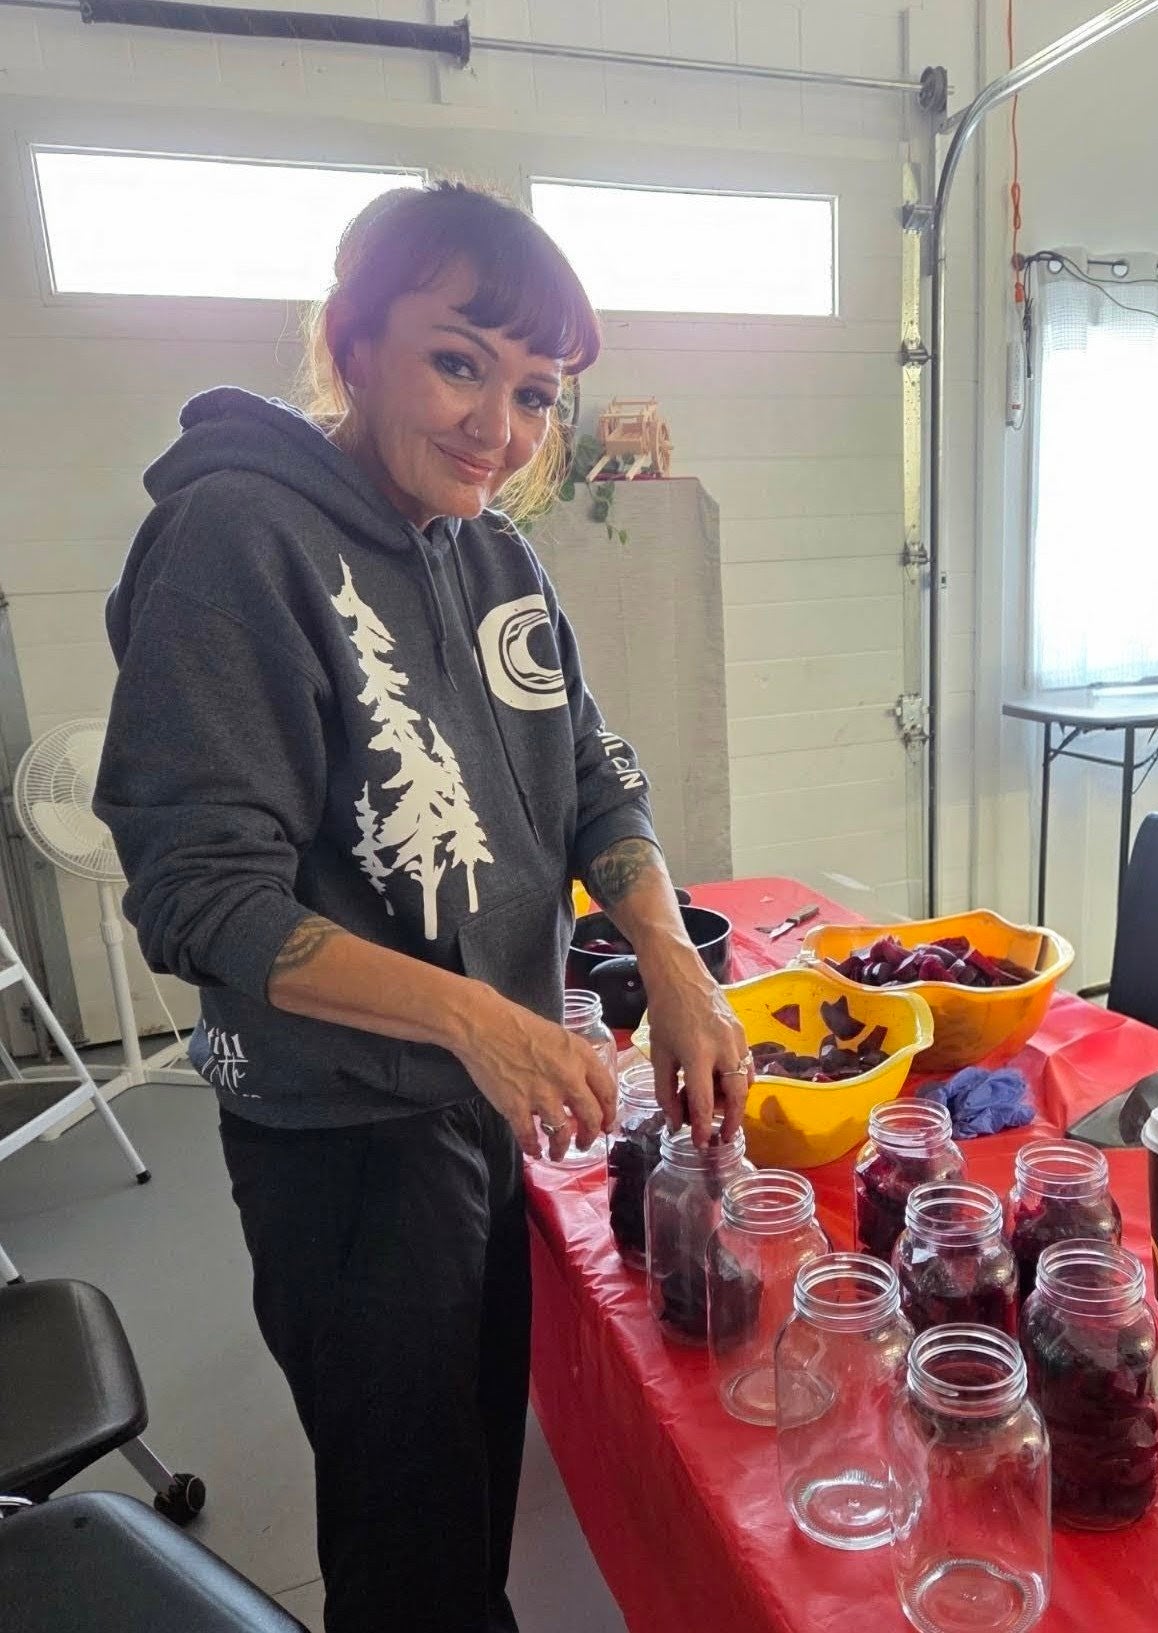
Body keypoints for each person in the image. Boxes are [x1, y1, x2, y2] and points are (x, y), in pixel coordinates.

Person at [95, 180, 750, 1633]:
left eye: (535, 393)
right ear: (351, 341)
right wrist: (477, 1018)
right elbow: (200, 895)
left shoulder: (496, 550)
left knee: (467, 1499)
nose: (500, 430)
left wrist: (676, 965)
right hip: (343, 1142)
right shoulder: (233, 540)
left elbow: (592, 772)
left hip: (472, 1110)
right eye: (461, 362)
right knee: (406, 1547)